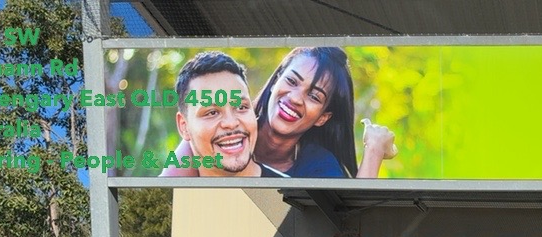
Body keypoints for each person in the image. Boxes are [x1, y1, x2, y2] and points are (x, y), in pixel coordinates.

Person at [162, 47, 396, 178]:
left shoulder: (319, 168)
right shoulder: (217, 133)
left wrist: (374, 149)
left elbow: (349, 221)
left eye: (314, 96)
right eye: (292, 81)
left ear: (323, 117)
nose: (295, 98)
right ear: (275, 81)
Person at [170, 51, 264, 177]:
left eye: (241, 107)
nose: (231, 123)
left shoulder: (287, 186)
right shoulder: (169, 188)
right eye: (212, 112)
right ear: (184, 127)